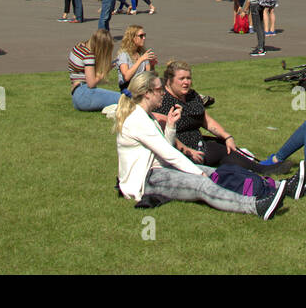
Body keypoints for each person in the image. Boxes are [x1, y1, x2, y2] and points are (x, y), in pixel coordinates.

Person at [115, 72, 293, 219]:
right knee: (202, 184)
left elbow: (165, 148)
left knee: (216, 173)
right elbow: (168, 153)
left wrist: (169, 125)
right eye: (159, 89)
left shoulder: (148, 116)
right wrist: (197, 172)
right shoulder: (137, 120)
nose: (163, 92)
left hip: (160, 169)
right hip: (147, 180)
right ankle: (255, 207)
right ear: (147, 93)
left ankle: (279, 187)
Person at [154, 60, 286, 173]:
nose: (186, 82)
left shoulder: (191, 95)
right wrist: (187, 150)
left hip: (197, 141)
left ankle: (255, 168)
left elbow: (206, 120)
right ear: (169, 81)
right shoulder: (163, 100)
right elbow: (163, 132)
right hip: (180, 149)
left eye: (188, 78)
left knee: (225, 146)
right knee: (222, 152)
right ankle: (261, 170)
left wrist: (226, 136)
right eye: (181, 79)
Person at [70, 29, 123, 111]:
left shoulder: (78, 47)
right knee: (124, 99)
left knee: (116, 98)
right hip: (84, 94)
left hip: (75, 94)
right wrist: (106, 70)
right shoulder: (88, 56)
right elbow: (91, 84)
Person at [116, 25, 158, 92]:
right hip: (128, 90)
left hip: (142, 88)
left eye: (144, 35)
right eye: (141, 36)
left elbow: (149, 76)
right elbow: (126, 77)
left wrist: (152, 65)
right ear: (132, 37)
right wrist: (140, 60)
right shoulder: (123, 55)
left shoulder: (142, 53)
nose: (144, 38)